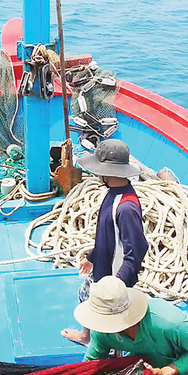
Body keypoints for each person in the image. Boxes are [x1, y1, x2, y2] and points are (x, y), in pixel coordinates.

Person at [62, 139, 148, 345]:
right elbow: (108, 236)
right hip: (103, 268)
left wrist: (117, 284)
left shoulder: (126, 208)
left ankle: (109, 347)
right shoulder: (113, 194)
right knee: (86, 295)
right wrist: (92, 257)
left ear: (107, 172)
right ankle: (87, 336)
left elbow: (136, 251)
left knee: (109, 316)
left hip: (115, 276)